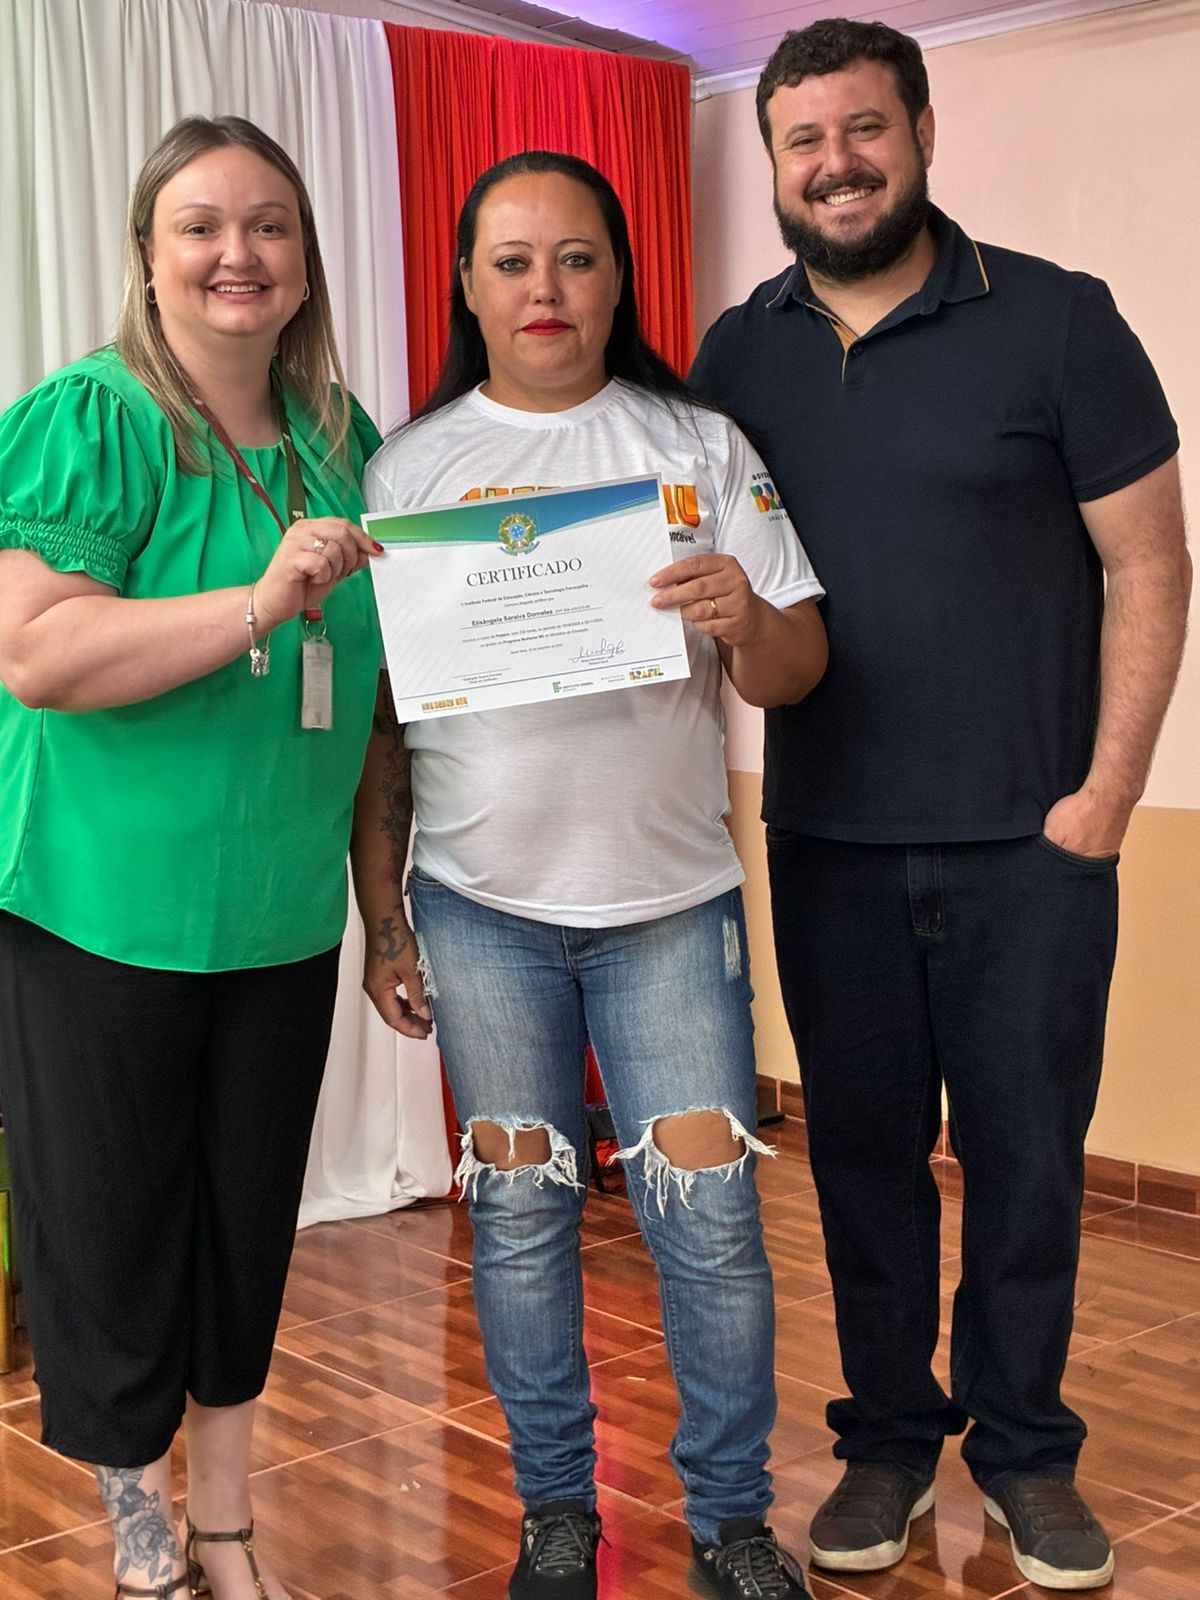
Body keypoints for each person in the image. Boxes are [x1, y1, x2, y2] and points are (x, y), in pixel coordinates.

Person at [689, 17, 1191, 1593]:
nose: (835, 163)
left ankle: (1029, 1455)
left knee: (1030, 1166)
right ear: (774, 164)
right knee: (861, 1166)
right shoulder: (734, 355)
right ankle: (889, 1447)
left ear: (919, 133)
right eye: (803, 140)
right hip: (828, 842)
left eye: (864, 129)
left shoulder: (1059, 320)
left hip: (1032, 847)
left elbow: (1150, 563)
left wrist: (1109, 794)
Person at [364, 150, 828, 1600]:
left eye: (576, 257)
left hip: (670, 907)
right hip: (480, 908)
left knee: (714, 1227)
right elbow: (383, 724)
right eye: (511, 262)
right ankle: (555, 1511)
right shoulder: (408, 472)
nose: (545, 289)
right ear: (466, 285)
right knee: (516, 1224)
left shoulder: (697, 446)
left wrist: (747, 615)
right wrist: (384, 916)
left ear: (619, 275)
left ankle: (733, 1520)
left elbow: (796, 671)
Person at [0, 116, 429, 1600]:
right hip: (100, 912)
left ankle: (229, 1525)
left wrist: (383, 917)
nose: (237, 253)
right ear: (147, 255)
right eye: (200, 226)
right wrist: (257, 600)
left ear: (304, 263)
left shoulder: (342, 439)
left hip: (279, 917)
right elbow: (38, 655)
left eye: (269, 226)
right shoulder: (95, 419)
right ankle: (140, 1532)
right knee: (113, 1238)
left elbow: (371, 698)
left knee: (247, 1231)